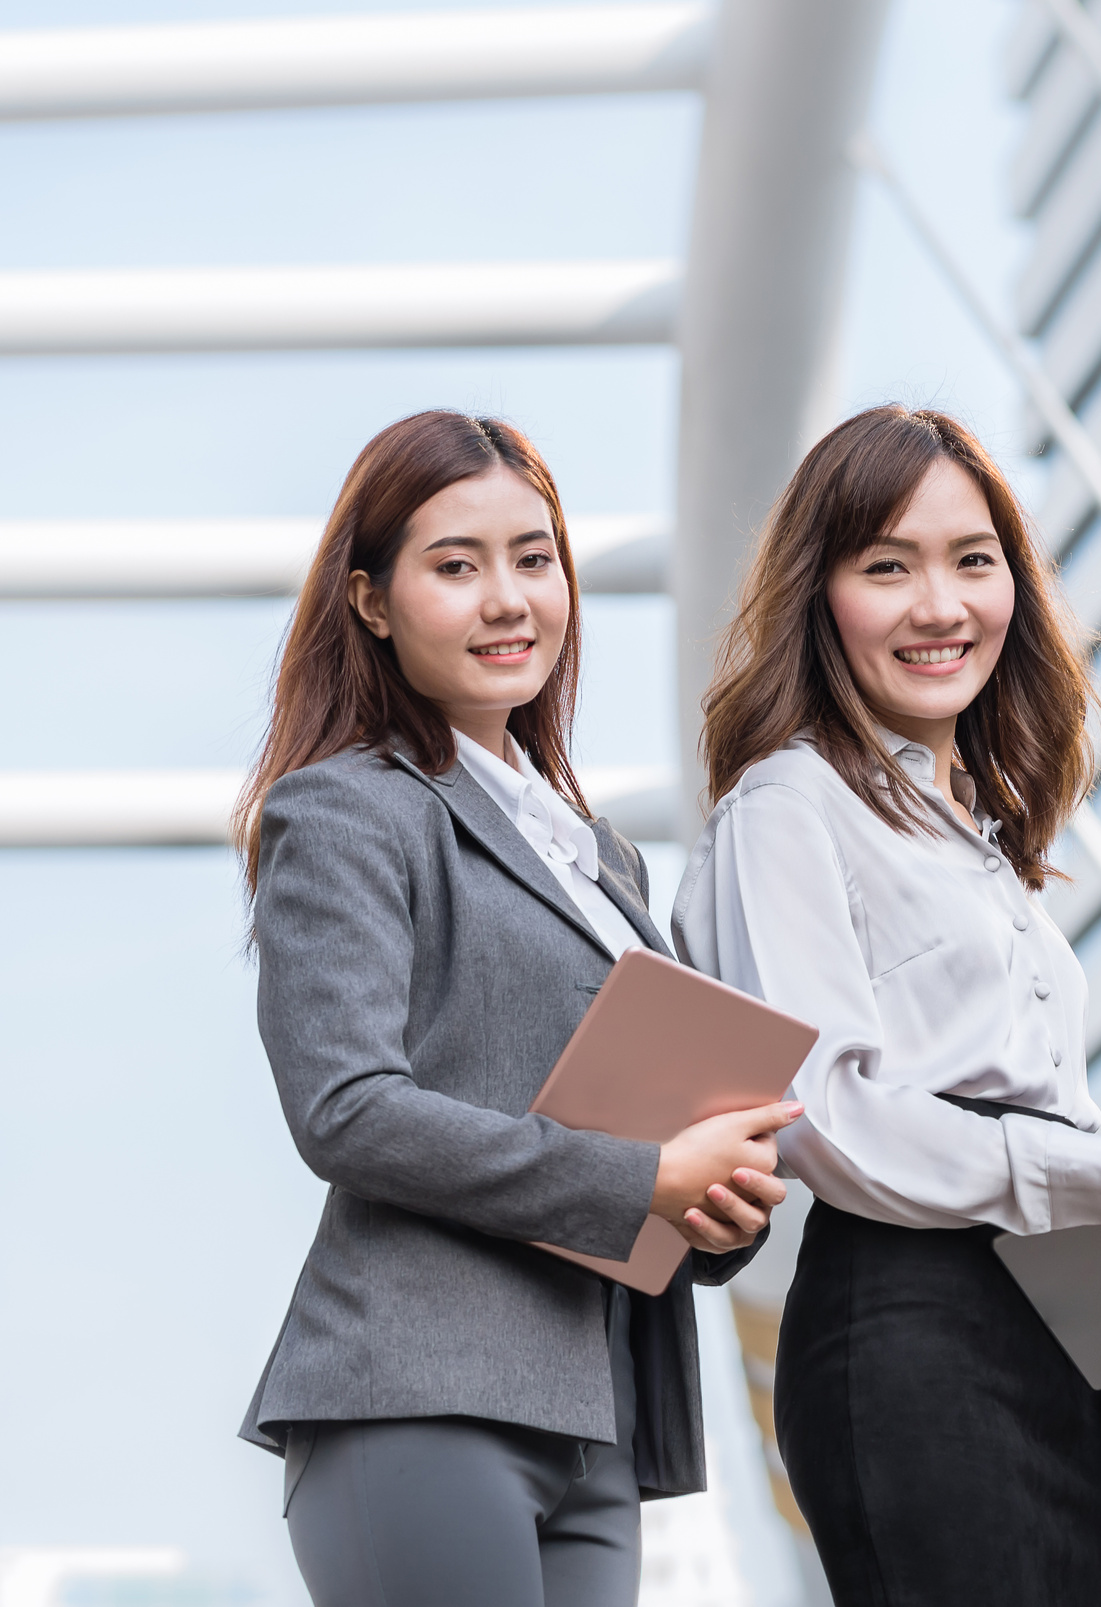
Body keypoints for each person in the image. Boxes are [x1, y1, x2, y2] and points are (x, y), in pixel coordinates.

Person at [673, 405, 1101, 1607]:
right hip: (914, 1328)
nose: (941, 606)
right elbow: (827, 1118)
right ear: (818, 595)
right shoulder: (786, 805)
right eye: (888, 566)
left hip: (1067, 1324)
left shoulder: (988, 838)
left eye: (974, 560)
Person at [236, 410, 795, 1606]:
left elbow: (641, 1129)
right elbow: (346, 1107)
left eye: (534, 559)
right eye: (456, 565)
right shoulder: (343, 811)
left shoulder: (600, 859)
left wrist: (714, 1202)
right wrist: (643, 1175)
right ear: (372, 600)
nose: (508, 599)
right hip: (418, 1384)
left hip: (599, 1412)